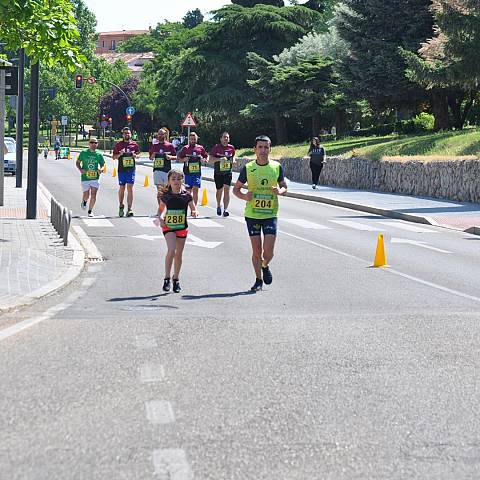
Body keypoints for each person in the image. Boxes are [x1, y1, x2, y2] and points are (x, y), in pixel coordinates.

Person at [233, 135, 287, 292]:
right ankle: (258, 280)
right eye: (260, 147)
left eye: (266, 147)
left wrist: (280, 191)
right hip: (252, 214)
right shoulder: (248, 168)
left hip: (270, 214)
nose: (263, 150)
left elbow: (284, 186)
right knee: (256, 250)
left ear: (270, 149)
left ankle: (265, 265)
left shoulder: (276, 167)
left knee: (268, 252)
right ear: (255, 150)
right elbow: (236, 189)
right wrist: (244, 196)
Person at [158, 169, 198, 293]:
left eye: (178, 179)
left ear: (182, 180)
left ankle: (176, 279)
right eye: (173, 179)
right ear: (169, 181)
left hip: (182, 227)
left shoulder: (187, 195)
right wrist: (160, 217)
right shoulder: (166, 195)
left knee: (179, 254)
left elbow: (193, 208)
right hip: (168, 226)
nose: (176, 181)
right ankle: (166, 278)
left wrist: (194, 212)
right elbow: (160, 210)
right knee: (171, 250)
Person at [112, 126, 140, 217]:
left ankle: (129, 209)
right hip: (121, 170)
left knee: (130, 188)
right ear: (123, 134)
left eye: (128, 133)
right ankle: (121, 205)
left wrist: (135, 155)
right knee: (122, 188)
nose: (127, 134)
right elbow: (113, 157)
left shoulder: (134, 144)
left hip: (131, 169)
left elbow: (138, 154)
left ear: (131, 134)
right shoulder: (118, 145)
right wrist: (120, 154)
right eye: (125, 133)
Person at [149, 128, 177, 214]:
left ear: (165, 135)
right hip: (157, 170)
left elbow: (176, 157)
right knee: (160, 191)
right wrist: (153, 155)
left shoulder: (169, 146)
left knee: (167, 191)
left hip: (167, 171)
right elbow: (150, 158)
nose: (160, 136)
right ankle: (161, 210)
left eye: (162, 134)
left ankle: (168, 209)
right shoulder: (154, 146)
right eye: (159, 134)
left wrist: (170, 157)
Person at [76, 137, 105, 217]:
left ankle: (90, 211)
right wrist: (80, 169)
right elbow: (78, 162)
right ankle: (84, 201)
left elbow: (103, 164)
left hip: (95, 177)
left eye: (95, 143)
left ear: (97, 144)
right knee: (86, 195)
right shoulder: (83, 153)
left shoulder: (99, 154)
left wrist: (101, 169)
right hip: (85, 177)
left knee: (94, 194)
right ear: (89, 144)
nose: (93, 144)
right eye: (92, 142)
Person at [209, 131, 236, 217]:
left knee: (227, 189)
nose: (226, 139)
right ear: (220, 139)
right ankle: (218, 205)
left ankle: (225, 209)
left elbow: (233, 156)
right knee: (219, 190)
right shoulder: (216, 148)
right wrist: (220, 159)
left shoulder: (231, 147)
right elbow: (210, 159)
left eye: (227, 137)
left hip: (228, 172)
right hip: (218, 173)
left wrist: (234, 160)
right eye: (224, 137)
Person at [177, 132, 208, 206]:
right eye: (191, 139)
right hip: (187, 173)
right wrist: (184, 159)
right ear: (189, 140)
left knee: (195, 189)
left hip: (197, 173)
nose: (193, 141)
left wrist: (205, 160)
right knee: (188, 191)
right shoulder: (185, 148)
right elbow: (179, 159)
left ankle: (194, 208)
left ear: (197, 139)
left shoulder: (200, 148)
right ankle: (188, 207)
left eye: (194, 139)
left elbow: (206, 156)